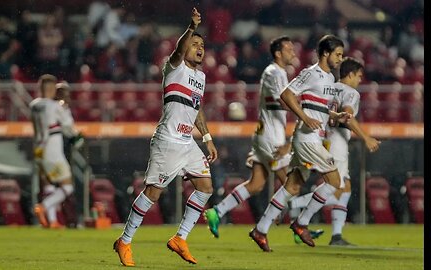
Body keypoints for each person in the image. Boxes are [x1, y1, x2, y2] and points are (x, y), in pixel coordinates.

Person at [113, 8, 218, 267]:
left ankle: (180, 238)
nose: (199, 48)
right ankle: (124, 241)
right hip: (168, 140)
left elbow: (197, 109)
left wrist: (207, 138)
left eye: (202, 45)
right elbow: (179, 50)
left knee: (205, 188)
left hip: (188, 143)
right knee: (153, 193)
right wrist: (191, 28)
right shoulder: (174, 67)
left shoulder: (201, 78)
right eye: (195, 44)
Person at [247, 34, 351, 251]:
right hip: (306, 139)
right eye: (338, 54)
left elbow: (319, 108)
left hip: (313, 138)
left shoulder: (331, 79)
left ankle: (261, 229)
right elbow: (286, 95)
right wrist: (304, 117)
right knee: (334, 181)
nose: (341, 59)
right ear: (325, 53)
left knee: (293, 186)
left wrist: (336, 116)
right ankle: (302, 223)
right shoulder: (310, 73)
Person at [203, 36, 297, 240]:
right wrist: (307, 112)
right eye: (289, 49)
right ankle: (293, 225)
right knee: (291, 182)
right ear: (278, 53)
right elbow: (286, 99)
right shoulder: (275, 72)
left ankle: (217, 211)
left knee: (256, 184)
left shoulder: (278, 73)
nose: (293, 52)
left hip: (269, 133)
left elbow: (281, 101)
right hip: (272, 137)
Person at [289, 57, 380, 245]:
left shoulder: (330, 87)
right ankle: (294, 207)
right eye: (359, 76)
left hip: (322, 138)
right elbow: (347, 116)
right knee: (336, 187)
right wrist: (366, 137)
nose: (360, 80)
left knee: (344, 188)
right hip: (338, 141)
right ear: (350, 74)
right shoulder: (351, 92)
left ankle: (336, 235)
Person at [30, 74, 81, 229]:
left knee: (49, 186)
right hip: (52, 149)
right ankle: (43, 207)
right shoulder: (55, 106)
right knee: (67, 187)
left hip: (38, 149)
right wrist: (65, 107)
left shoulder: (34, 105)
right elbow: (68, 126)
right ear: (52, 89)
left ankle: (52, 221)